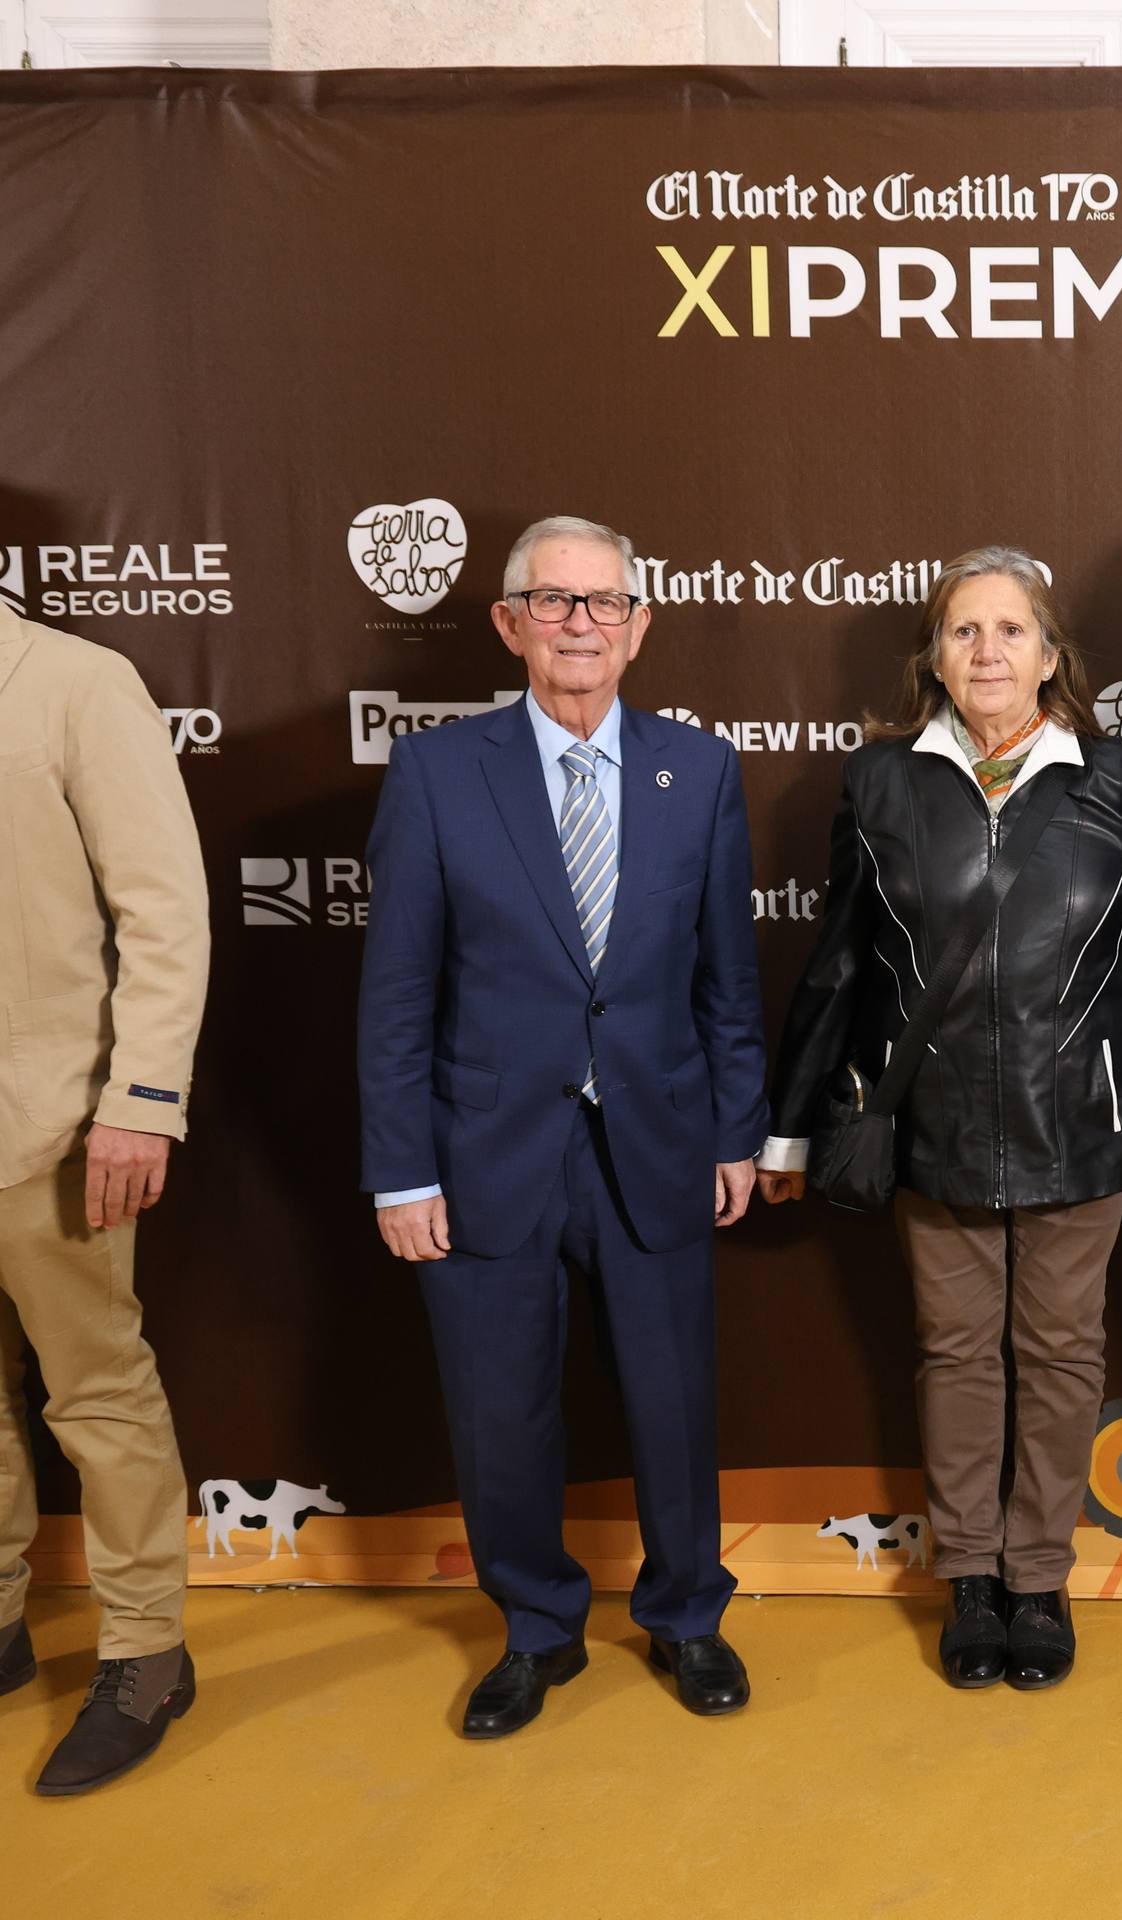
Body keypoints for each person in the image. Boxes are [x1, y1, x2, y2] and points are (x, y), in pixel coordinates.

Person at [358, 515, 768, 1738]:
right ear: (509, 624)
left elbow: (727, 981)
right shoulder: (439, 774)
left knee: (673, 1403)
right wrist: (398, 1173)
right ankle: (536, 1631)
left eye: (604, 603)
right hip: (484, 1154)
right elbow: (395, 998)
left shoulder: (697, 772)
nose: (580, 623)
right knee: (500, 1409)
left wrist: (733, 1135)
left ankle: (689, 1616)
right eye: (554, 602)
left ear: (640, 626)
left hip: (655, 1143)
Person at [760, 547, 1122, 1694]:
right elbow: (837, 965)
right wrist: (789, 1129)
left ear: (1051, 654)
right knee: (958, 1354)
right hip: (929, 1122)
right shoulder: (880, 782)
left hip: (1081, 1118)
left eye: (1010, 630)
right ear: (934, 655)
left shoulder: (1120, 776)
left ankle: (1040, 1579)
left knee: (1064, 1355)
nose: (987, 651)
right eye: (965, 631)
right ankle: (970, 1578)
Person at [0, 599, 210, 1796]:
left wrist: (140, 1099)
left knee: (96, 1394)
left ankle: (145, 1655)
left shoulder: (77, 682)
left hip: (51, 1119)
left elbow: (164, 910)